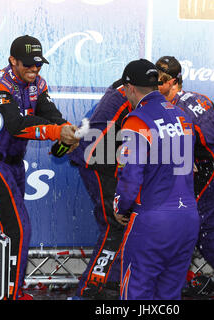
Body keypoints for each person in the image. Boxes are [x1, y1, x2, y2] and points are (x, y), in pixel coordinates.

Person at [0, 35, 80, 300]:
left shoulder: (38, 83)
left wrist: (66, 130)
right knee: (18, 228)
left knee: (6, 228)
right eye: (28, 65)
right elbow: (15, 124)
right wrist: (57, 130)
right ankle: (10, 293)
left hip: (15, 163)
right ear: (13, 61)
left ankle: (1, 288)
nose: (34, 70)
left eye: (39, 65)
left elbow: (50, 113)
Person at [113, 58, 200, 300]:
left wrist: (121, 205)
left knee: (136, 292)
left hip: (153, 220)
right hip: (187, 218)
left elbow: (131, 174)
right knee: (169, 296)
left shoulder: (136, 119)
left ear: (130, 88)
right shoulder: (183, 116)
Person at [155, 56, 214, 295]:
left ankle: (177, 283)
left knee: (189, 226)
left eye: (159, 81)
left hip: (213, 171)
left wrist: (189, 154)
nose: (154, 86)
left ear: (173, 82)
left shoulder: (173, 109)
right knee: (201, 228)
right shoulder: (199, 97)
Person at [67, 79, 132, 299]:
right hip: (97, 165)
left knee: (122, 225)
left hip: (99, 162)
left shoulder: (119, 93)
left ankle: (111, 281)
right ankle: (88, 290)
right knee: (115, 224)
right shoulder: (125, 97)